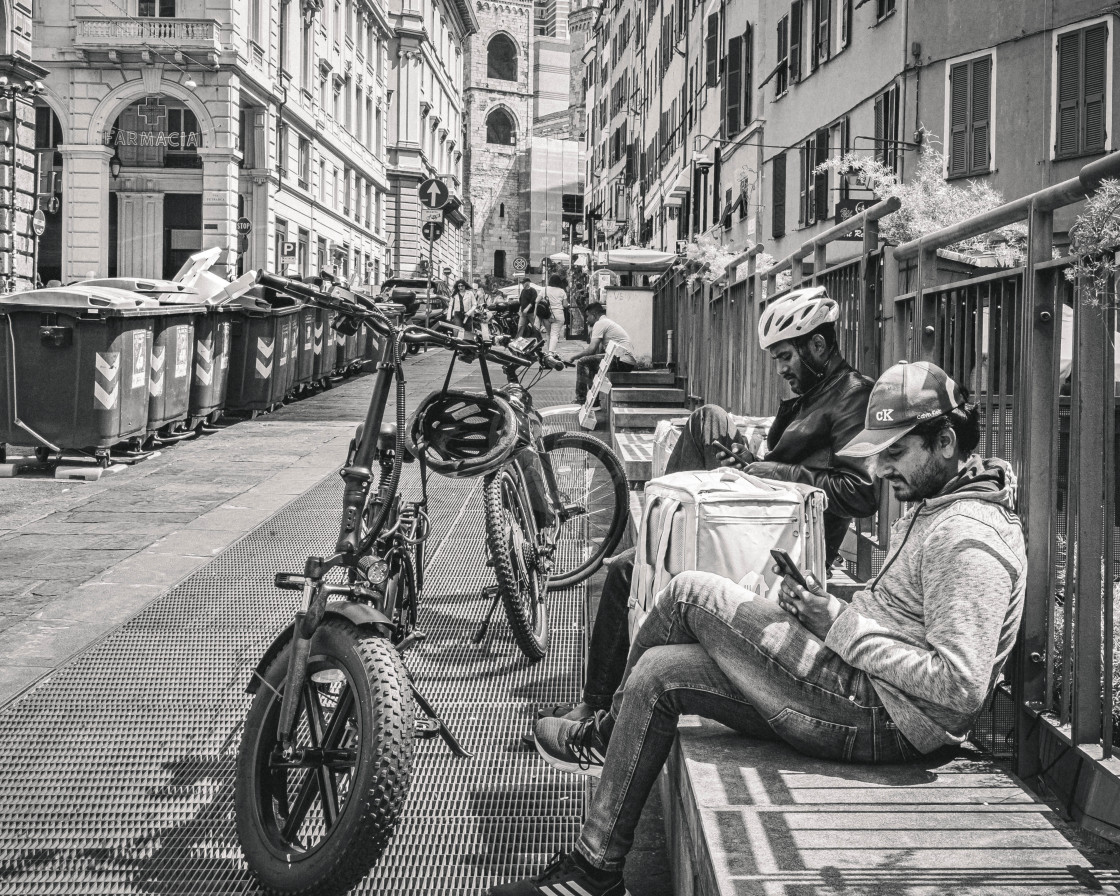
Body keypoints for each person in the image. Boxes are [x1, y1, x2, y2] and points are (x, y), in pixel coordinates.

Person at [489, 360, 1026, 896]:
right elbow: (899, 620)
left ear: (945, 442)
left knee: (689, 592)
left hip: (884, 716)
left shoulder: (968, 537)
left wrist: (837, 623)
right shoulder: (936, 507)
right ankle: (596, 871)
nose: (881, 470)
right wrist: (823, 609)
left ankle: (603, 735)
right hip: (858, 688)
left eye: (895, 453)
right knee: (657, 672)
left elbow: (959, 686)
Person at [541, 287, 877, 724]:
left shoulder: (852, 395)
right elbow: (788, 464)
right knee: (709, 417)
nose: (780, 369)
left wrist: (772, 472)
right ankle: (664, 531)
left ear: (817, 345)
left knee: (627, 569)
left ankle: (596, 709)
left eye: (785, 357)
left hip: (781, 549)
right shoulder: (812, 393)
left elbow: (860, 492)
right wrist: (751, 462)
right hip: (759, 519)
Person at [568, 302, 638, 403]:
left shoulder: (600, 323)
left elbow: (591, 349)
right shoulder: (606, 323)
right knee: (591, 364)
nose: (587, 320)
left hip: (621, 361)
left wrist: (573, 357)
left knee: (582, 362)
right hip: (625, 361)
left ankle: (580, 399)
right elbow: (596, 352)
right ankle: (594, 402)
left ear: (594, 314)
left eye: (588, 316)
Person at [538, 275, 567, 352]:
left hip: (547, 314)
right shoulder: (561, 291)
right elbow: (565, 305)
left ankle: (549, 351)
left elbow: (537, 301)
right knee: (554, 334)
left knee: (548, 333)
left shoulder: (544, 289)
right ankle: (551, 352)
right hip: (558, 314)